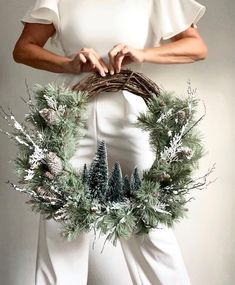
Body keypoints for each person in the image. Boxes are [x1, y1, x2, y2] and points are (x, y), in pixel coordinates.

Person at [13, 0, 208, 284]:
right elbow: (23, 48)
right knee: (61, 226)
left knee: (151, 226)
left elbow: (195, 46)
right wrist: (68, 65)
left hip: (129, 112)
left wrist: (141, 53)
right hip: (72, 114)